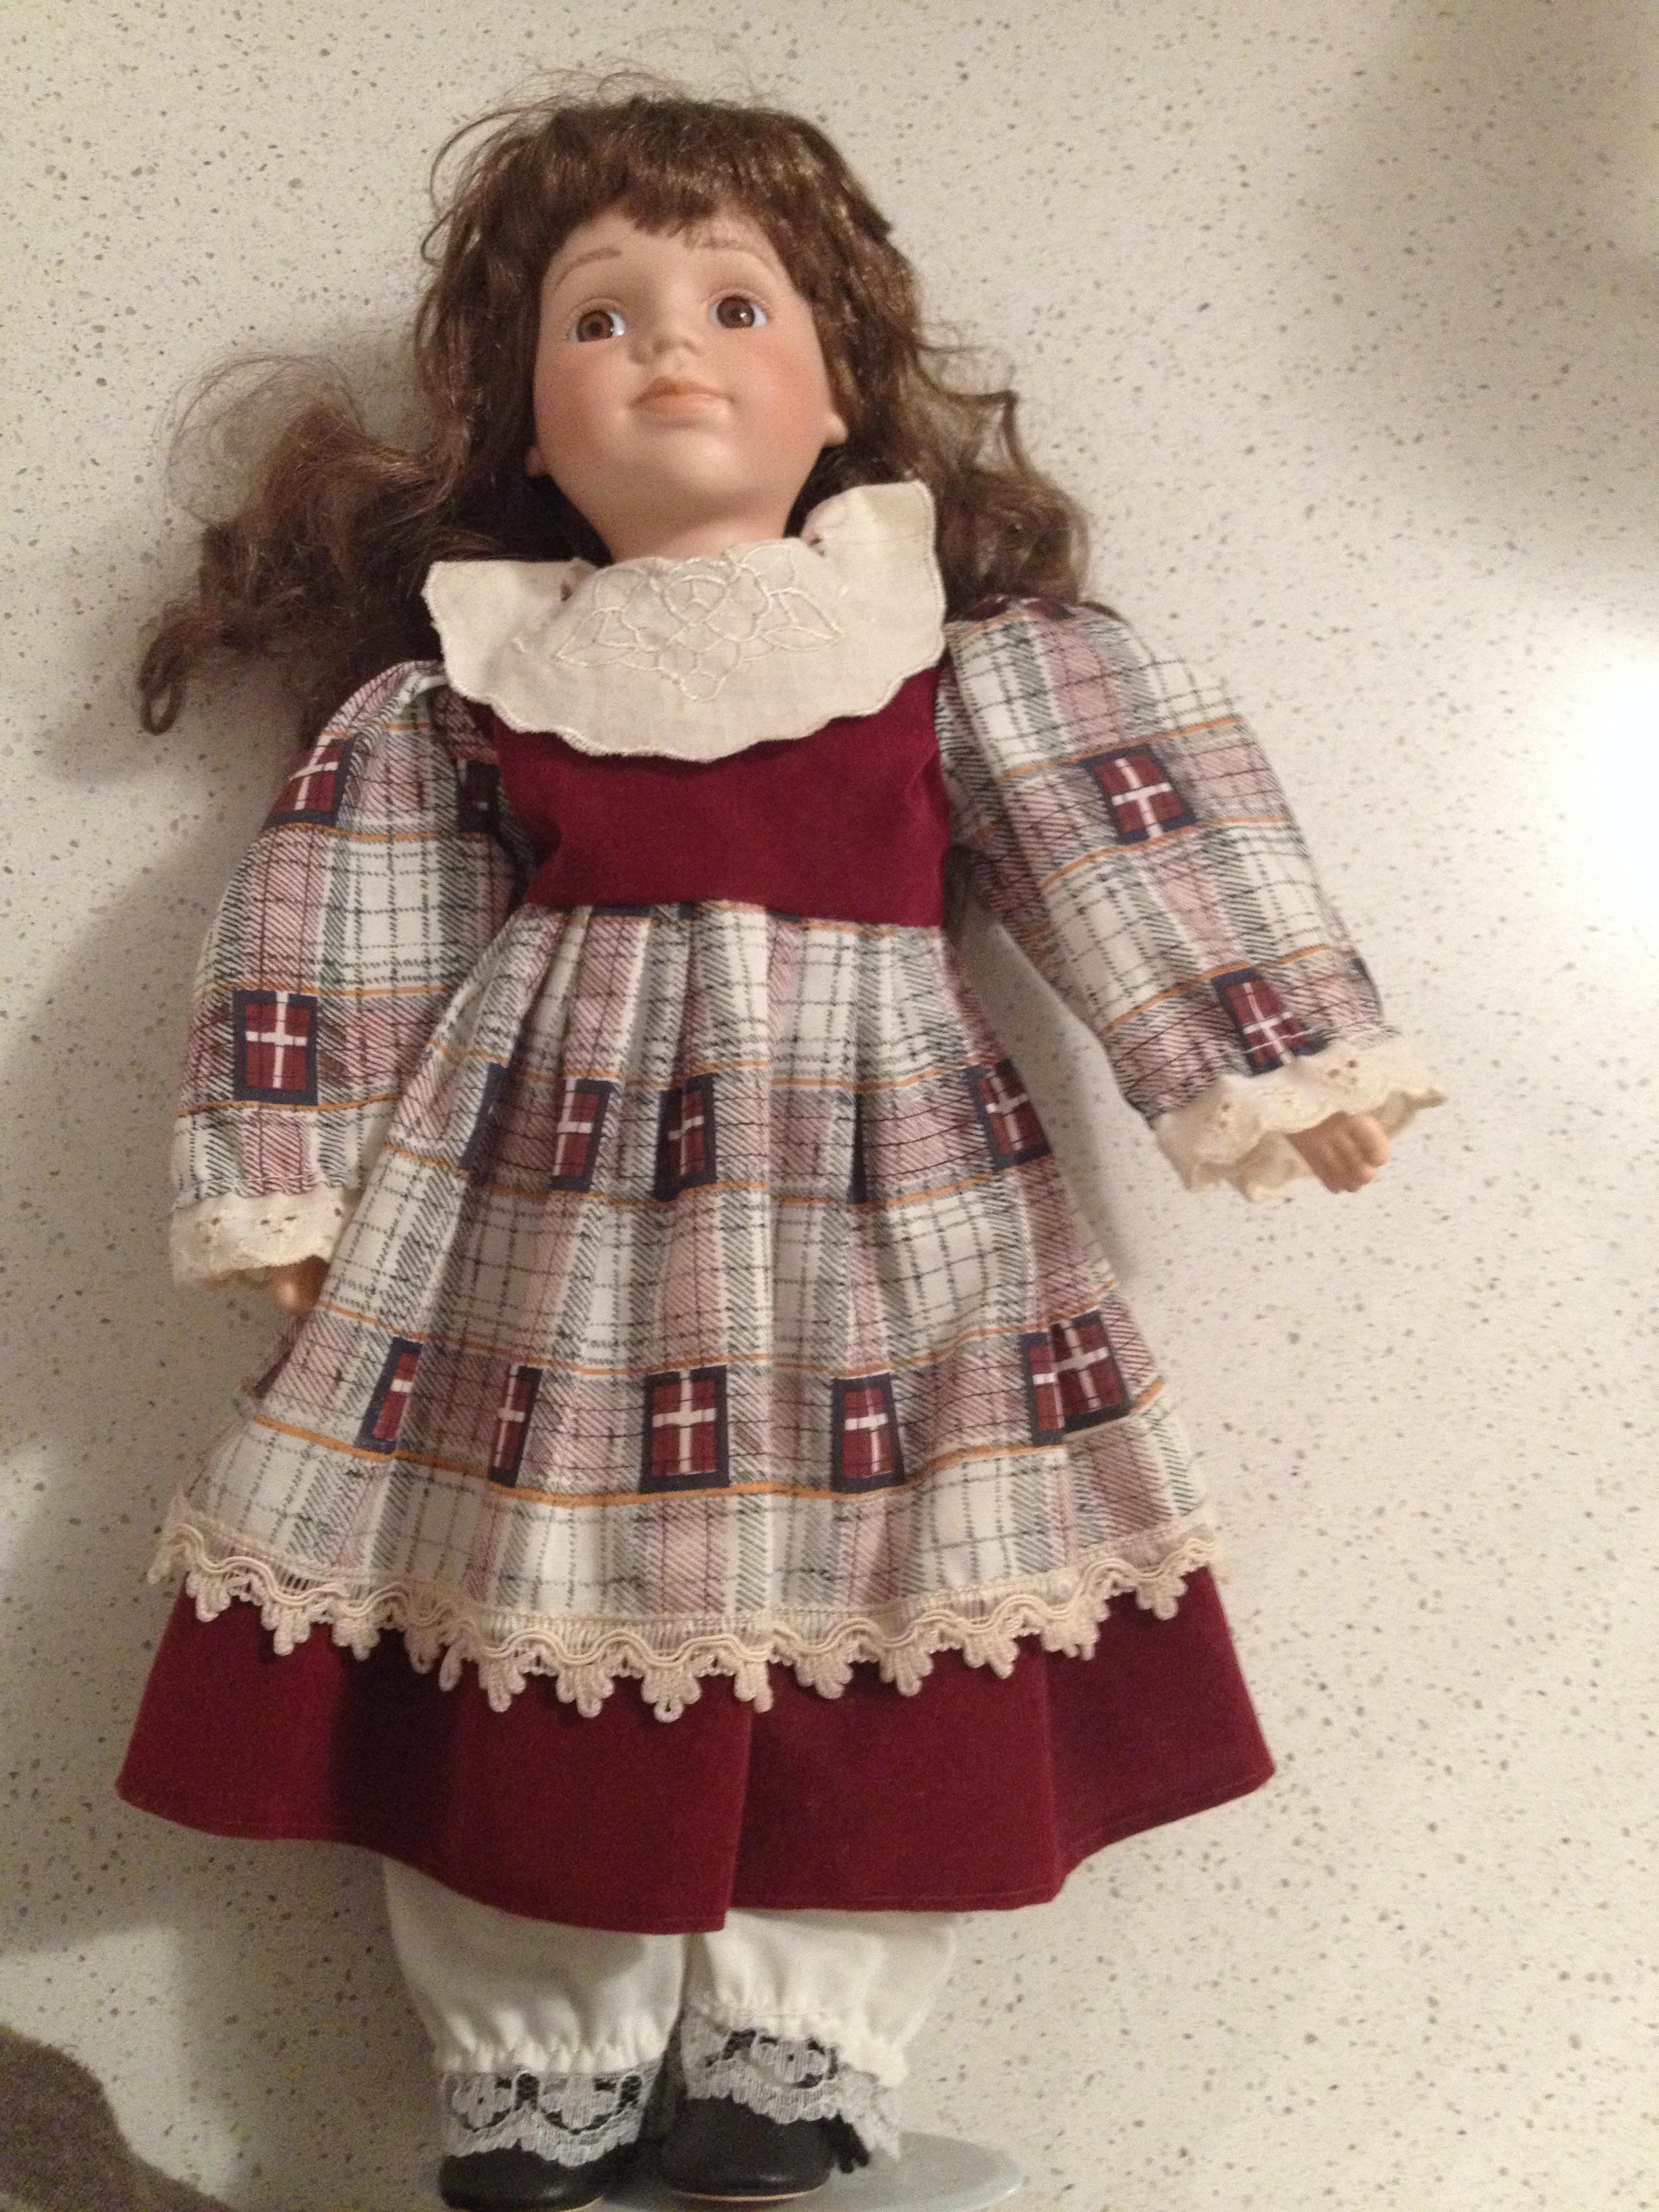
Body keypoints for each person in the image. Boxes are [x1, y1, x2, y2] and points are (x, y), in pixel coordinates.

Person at [117, 81, 1444, 2212]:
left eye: (734, 305)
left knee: (890, 1591)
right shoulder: (473, 685)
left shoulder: (958, 665)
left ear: (839, 389)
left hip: (888, 1226)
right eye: (598, 318)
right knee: (514, 1583)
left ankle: (800, 2039)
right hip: (531, 1240)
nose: (667, 349)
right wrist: (289, 1164)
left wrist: (1273, 1055)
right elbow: (336, 927)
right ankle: (539, 2057)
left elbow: (1125, 841)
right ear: (523, 423)